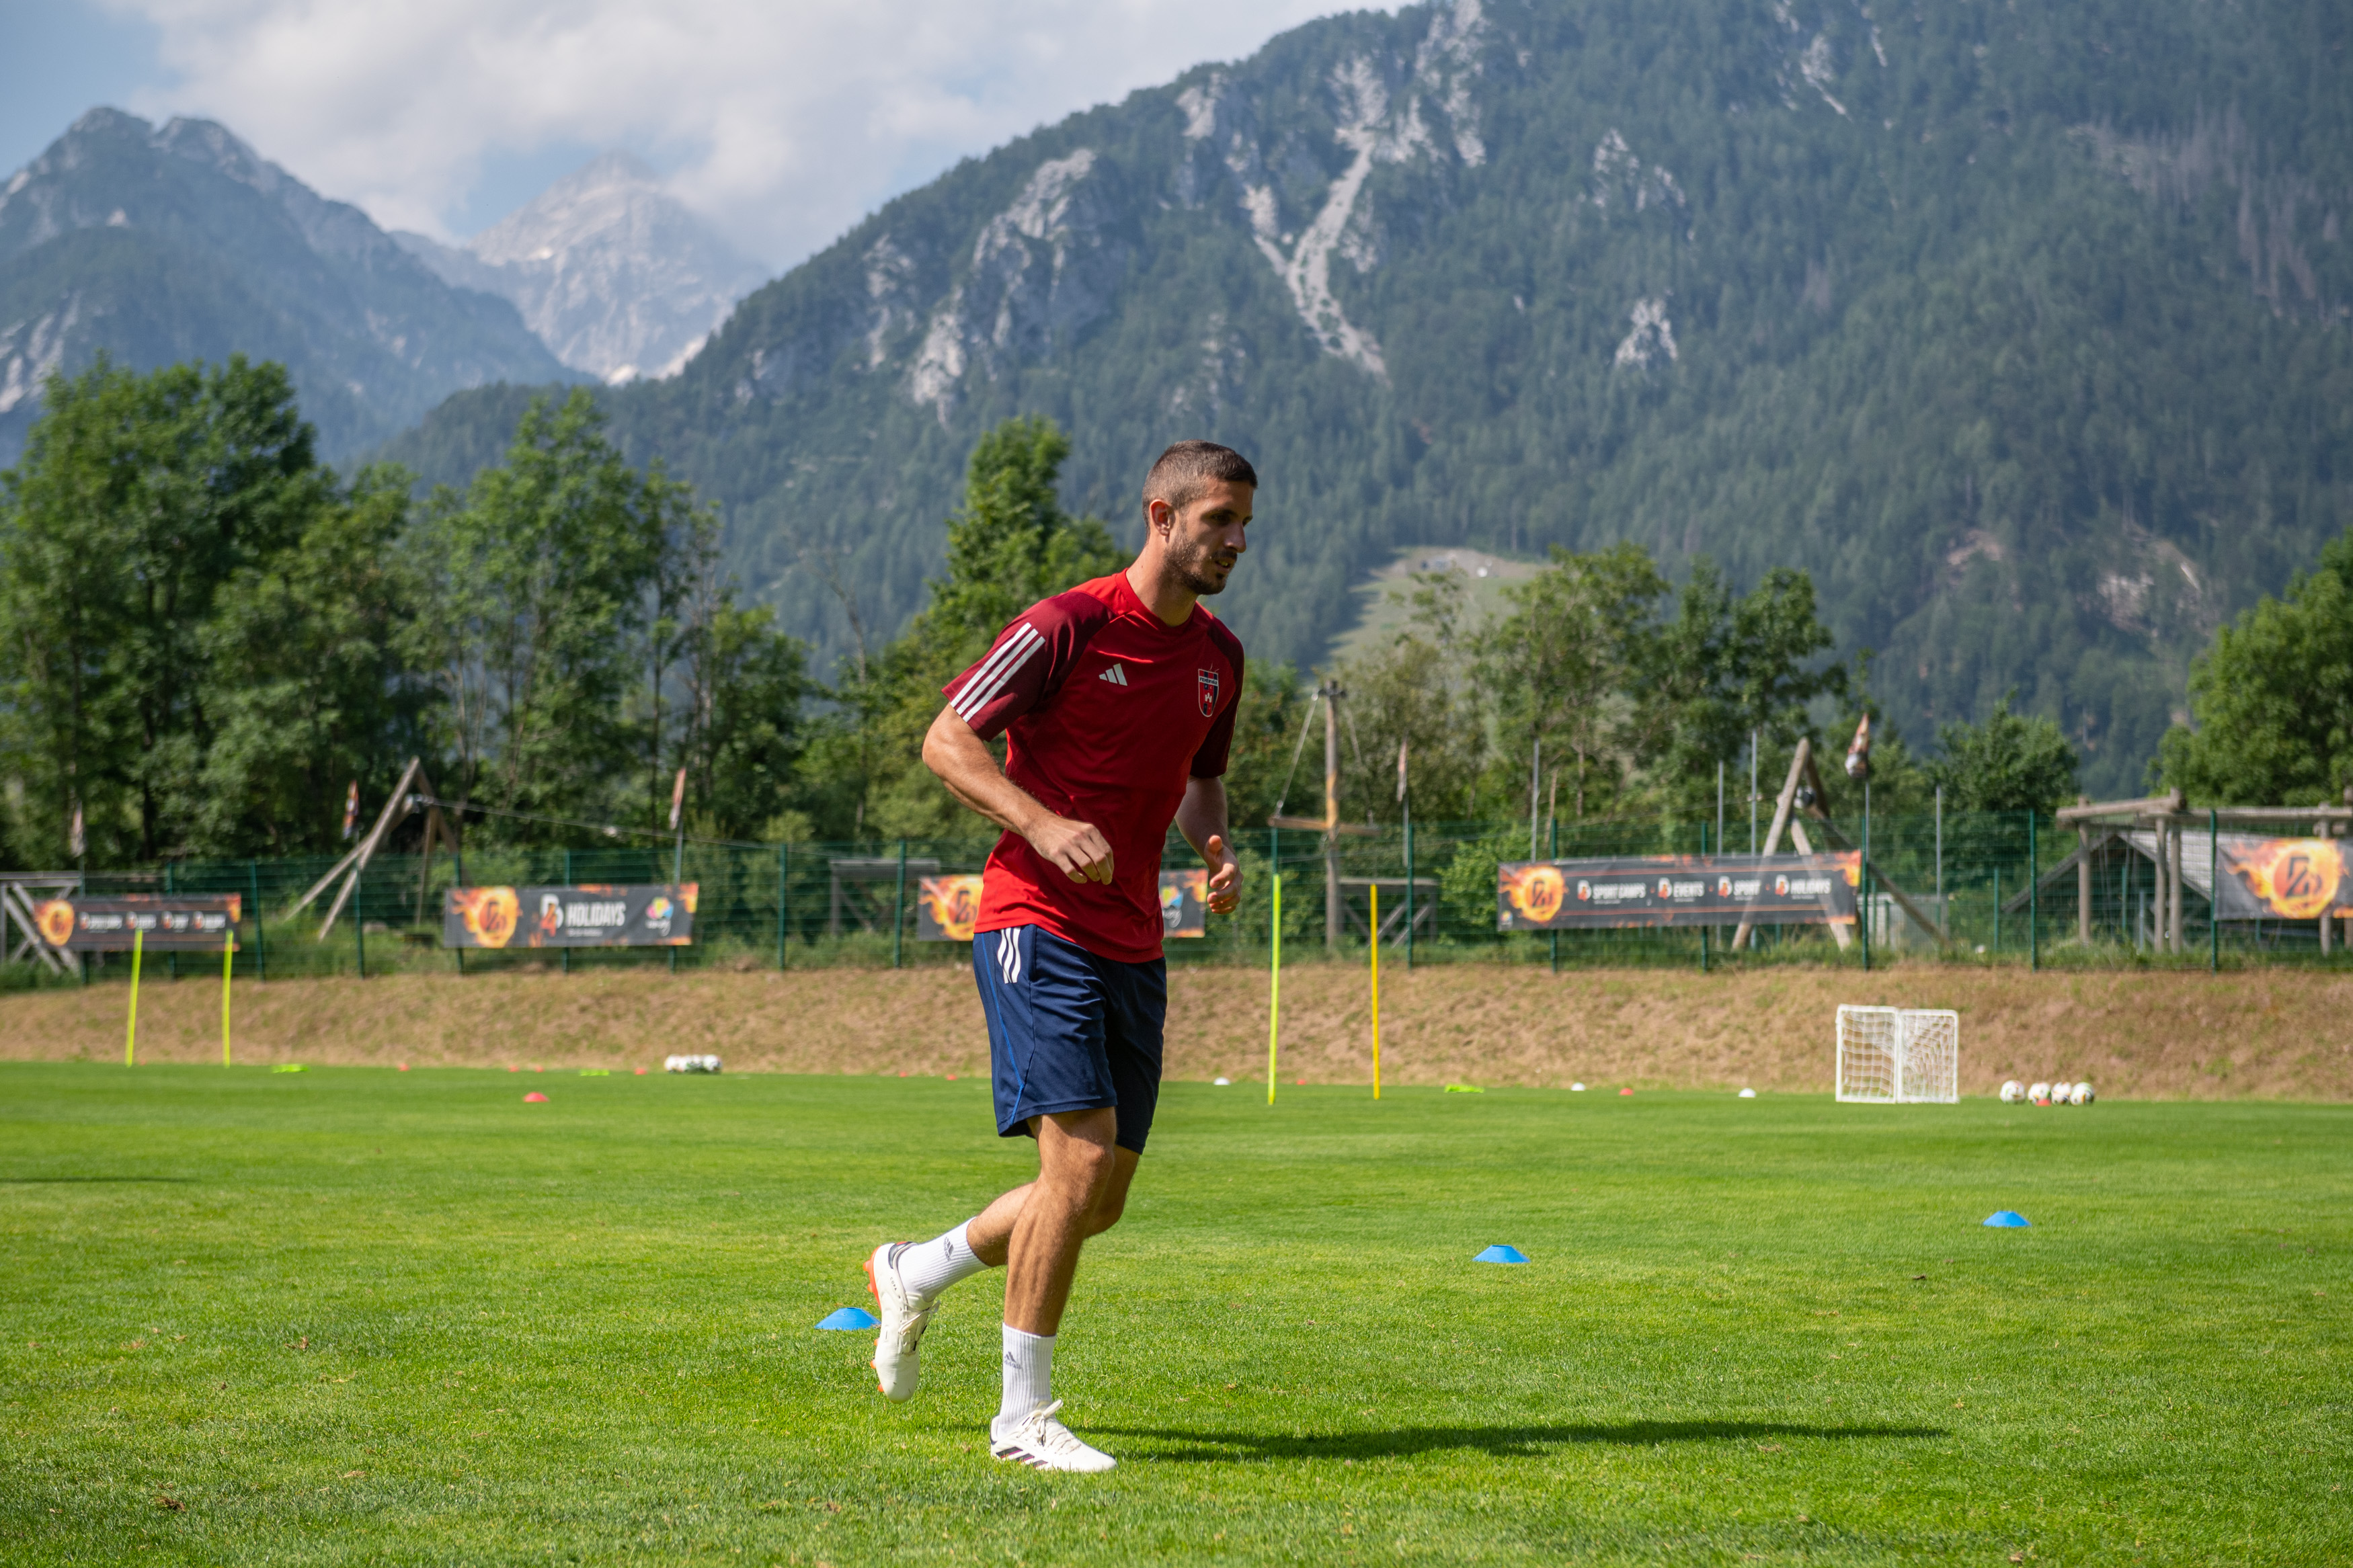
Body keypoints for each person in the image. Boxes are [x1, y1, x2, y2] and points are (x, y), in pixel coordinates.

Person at [862, 440, 1254, 1473]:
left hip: (1135, 938)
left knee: (1098, 1198)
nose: (1236, 541)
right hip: (1034, 921)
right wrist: (1040, 822)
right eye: (1219, 520)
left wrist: (1214, 846)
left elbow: (1201, 780)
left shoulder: (1220, 657)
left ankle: (915, 1269)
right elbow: (946, 740)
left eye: (1244, 524)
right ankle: (1021, 1418)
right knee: (1075, 1164)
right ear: (1161, 517)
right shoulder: (1064, 626)